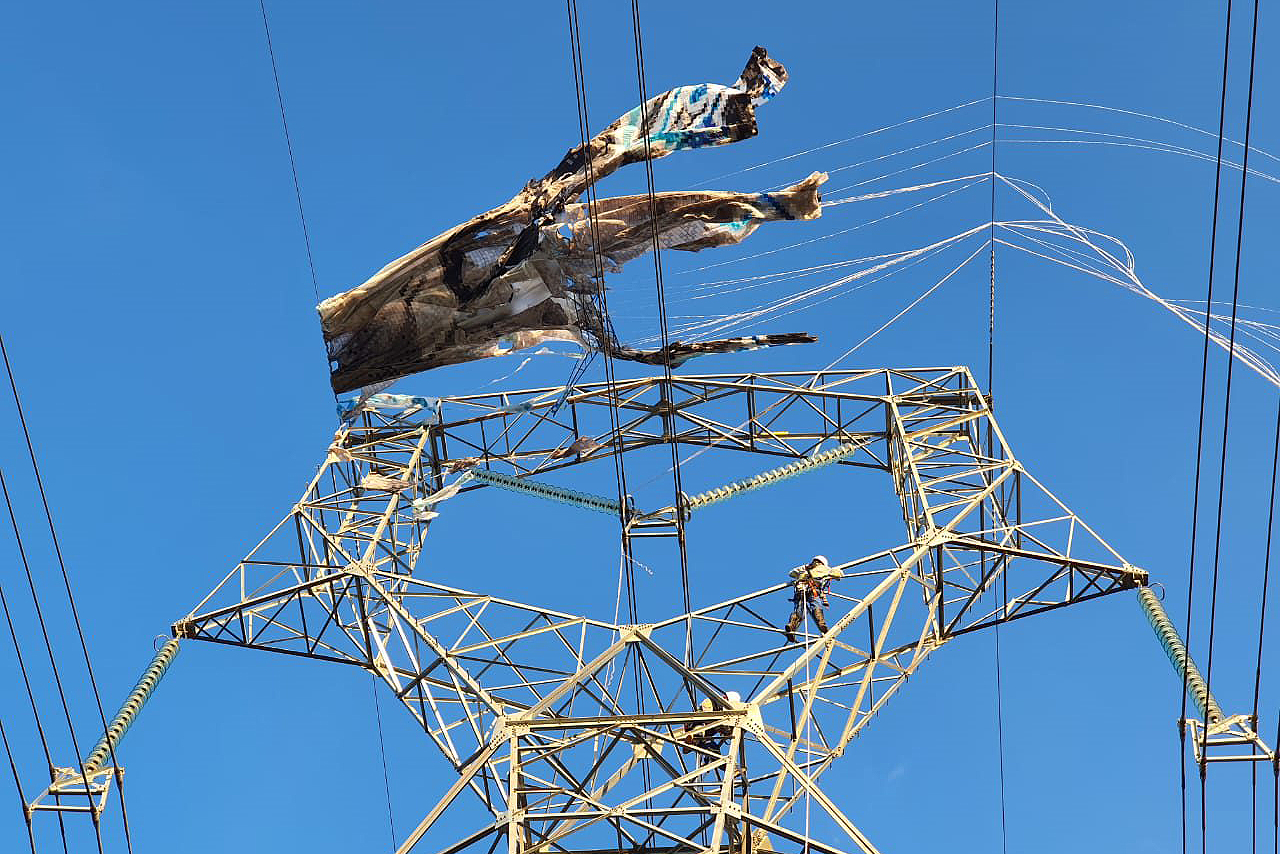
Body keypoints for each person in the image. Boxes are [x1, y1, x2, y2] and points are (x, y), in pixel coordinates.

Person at [784, 555, 844, 643]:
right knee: (816, 606)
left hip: (800, 590)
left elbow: (791, 573)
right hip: (813, 590)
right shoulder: (825, 569)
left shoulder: (805, 570)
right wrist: (832, 572)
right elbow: (840, 575)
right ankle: (821, 625)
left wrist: (805, 567)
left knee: (800, 610)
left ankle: (792, 626)